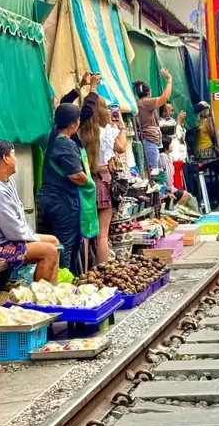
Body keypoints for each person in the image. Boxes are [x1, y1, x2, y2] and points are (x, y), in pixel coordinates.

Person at [0, 140, 59, 282]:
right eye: (13, 154)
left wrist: (33, 237)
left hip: (6, 240)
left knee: (54, 242)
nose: (15, 158)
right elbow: (14, 231)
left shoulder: (5, 180)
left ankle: (52, 294)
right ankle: (41, 296)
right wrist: (34, 237)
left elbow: (17, 220)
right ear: (5, 158)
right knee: (49, 251)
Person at [38, 104, 98, 273]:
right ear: (73, 124)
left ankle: (63, 278)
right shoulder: (66, 144)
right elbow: (75, 175)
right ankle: (65, 281)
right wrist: (90, 183)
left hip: (50, 199)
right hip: (62, 201)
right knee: (66, 244)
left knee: (58, 242)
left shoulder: (52, 137)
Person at [79, 98, 126, 263]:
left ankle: (84, 272)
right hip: (103, 182)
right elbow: (121, 148)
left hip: (85, 184)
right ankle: (102, 270)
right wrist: (122, 127)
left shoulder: (79, 133)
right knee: (102, 235)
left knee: (84, 235)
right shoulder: (106, 132)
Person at [134, 69, 172, 174]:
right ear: (149, 92)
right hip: (149, 140)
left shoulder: (140, 103)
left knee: (150, 171)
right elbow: (165, 97)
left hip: (149, 139)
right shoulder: (146, 103)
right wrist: (169, 80)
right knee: (151, 172)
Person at [158, 136, 197, 210]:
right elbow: (166, 175)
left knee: (188, 195)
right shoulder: (163, 157)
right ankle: (174, 212)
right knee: (185, 195)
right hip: (166, 189)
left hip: (171, 188)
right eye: (170, 144)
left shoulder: (168, 157)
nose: (172, 146)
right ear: (166, 146)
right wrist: (168, 191)